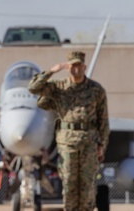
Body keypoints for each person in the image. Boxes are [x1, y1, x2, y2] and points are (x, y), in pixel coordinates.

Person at [28, 50, 109, 211]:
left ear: (84, 67)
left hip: (89, 144)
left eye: (79, 65)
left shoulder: (96, 90)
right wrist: (52, 71)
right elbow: (33, 88)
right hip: (67, 145)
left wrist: (102, 145)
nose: (76, 68)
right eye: (72, 65)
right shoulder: (59, 87)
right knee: (69, 185)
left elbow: (103, 121)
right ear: (67, 67)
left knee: (87, 188)